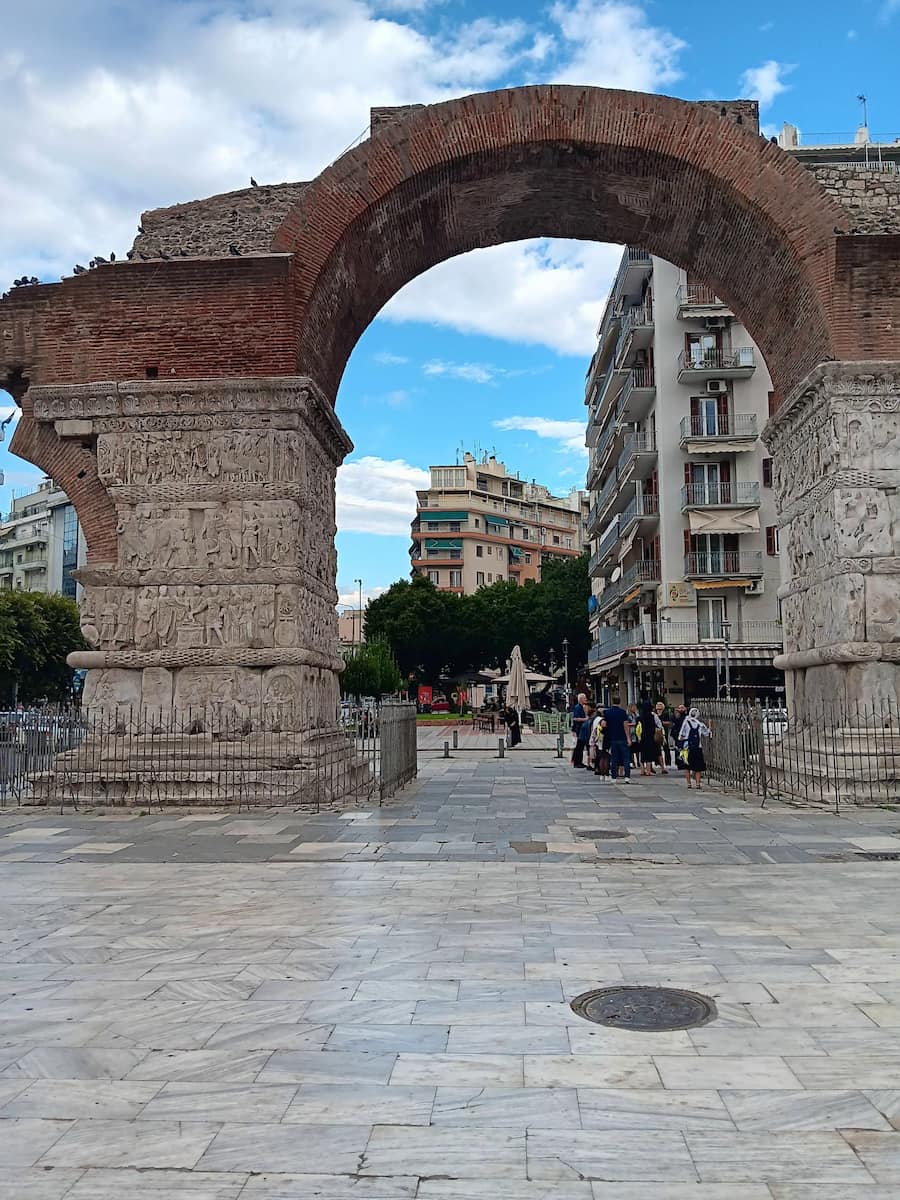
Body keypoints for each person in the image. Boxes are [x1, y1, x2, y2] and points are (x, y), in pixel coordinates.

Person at [677, 705, 712, 789]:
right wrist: (710, 725)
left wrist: (680, 744)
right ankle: (697, 784)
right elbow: (707, 733)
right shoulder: (700, 724)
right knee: (698, 767)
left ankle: (689, 783)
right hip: (697, 747)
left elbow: (680, 735)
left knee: (687, 766)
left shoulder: (686, 722)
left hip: (687, 748)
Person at [603, 699, 633, 782]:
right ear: (619, 702)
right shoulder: (623, 712)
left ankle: (613, 777)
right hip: (622, 737)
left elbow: (604, 724)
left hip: (612, 738)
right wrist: (628, 738)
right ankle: (627, 777)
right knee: (626, 758)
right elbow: (625, 725)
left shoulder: (607, 712)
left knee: (614, 758)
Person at [637, 698, 658, 777]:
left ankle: (642, 770)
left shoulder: (640, 717)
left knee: (642, 753)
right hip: (649, 737)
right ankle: (648, 770)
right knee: (649, 754)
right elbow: (654, 726)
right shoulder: (651, 717)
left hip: (641, 737)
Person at [590, 709, 611, 778]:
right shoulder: (607, 729)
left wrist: (592, 743)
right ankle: (606, 774)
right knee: (606, 759)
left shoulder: (597, 727)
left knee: (601, 758)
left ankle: (602, 774)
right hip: (606, 744)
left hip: (599, 744)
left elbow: (593, 735)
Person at [571, 692, 589, 768]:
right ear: (581, 699)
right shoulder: (578, 707)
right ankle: (577, 762)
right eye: (584, 698)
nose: (586, 699)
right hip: (579, 729)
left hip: (581, 729)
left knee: (580, 746)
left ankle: (579, 761)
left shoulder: (582, 707)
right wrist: (585, 719)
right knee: (579, 746)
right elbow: (575, 718)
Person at [575, 702, 595, 767]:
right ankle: (578, 763)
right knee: (580, 748)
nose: (585, 709)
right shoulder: (579, 708)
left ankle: (580, 762)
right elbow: (575, 718)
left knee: (581, 748)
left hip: (583, 733)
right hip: (584, 734)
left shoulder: (588, 717)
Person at [654, 701, 671, 773]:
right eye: (658, 706)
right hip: (656, 732)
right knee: (657, 748)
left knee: (665, 746)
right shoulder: (654, 714)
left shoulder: (665, 714)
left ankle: (668, 762)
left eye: (660, 706)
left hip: (663, 731)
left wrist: (663, 722)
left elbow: (669, 722)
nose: (659, 708)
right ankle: (657, 762)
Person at [626, 702, 641, 767]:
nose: (634, 708)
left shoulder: (637, 715)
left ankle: (638, 761)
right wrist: (633, 724)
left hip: (636, 733)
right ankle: (632, 762)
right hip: (631, 733)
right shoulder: (627, 715)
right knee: (631, 750)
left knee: (637, 749)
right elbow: (626, 724)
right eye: (633, 707)